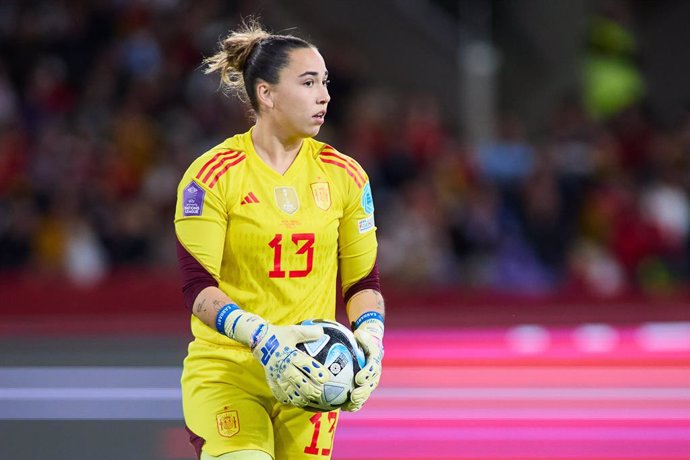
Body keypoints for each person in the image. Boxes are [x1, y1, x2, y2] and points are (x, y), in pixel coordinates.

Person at [174, 19, 385, 460]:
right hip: (228, 373)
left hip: (309, 376)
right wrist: (264, 338)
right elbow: (198, 289)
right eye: (308, 82)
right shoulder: (211, 176)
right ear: (266, 94)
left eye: (325, 82)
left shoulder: (347, 176)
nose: (325, 95)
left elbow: (363, 284)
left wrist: (371, 339)